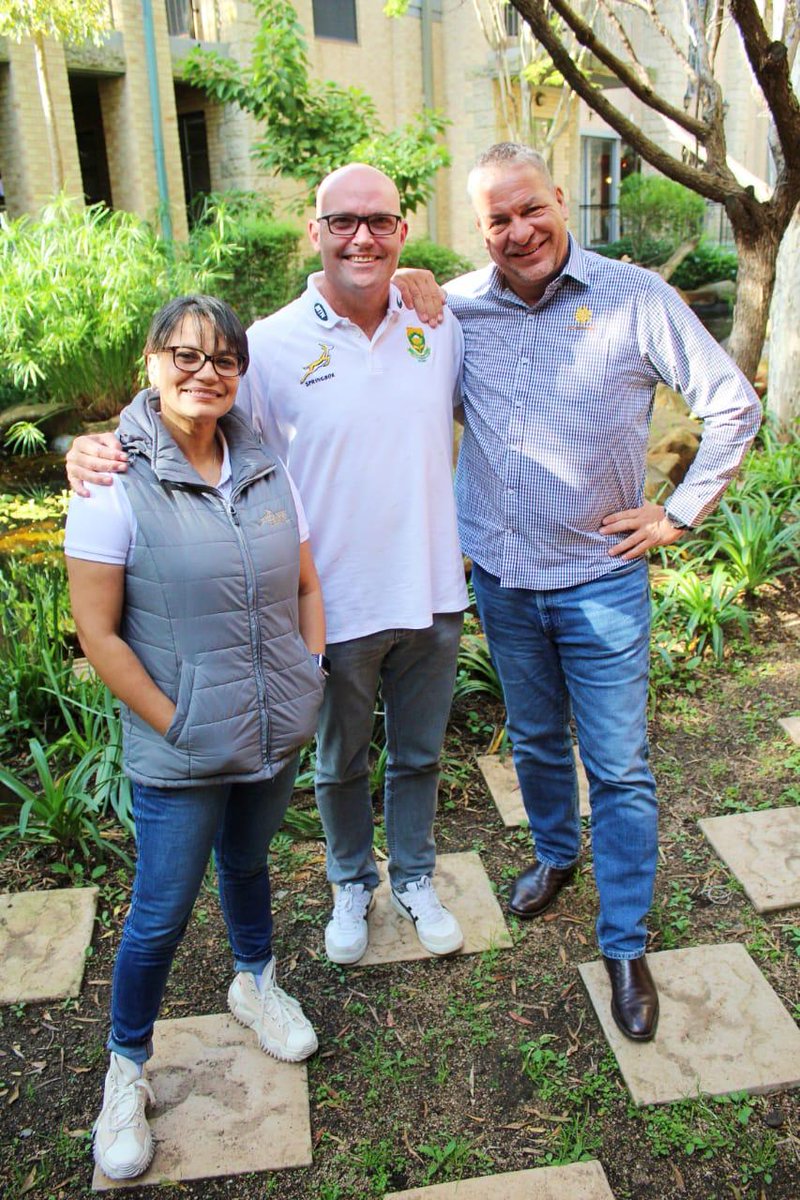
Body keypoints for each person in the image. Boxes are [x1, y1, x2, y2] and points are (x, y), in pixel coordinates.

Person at [398, 143, 761, 1042]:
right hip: (505, 577)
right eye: (496, 220)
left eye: (531, 209)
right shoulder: (457, 311)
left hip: (599, 583)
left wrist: (675, 514)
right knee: (532, 737)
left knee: (623, 766)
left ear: (561, 200)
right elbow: (367, 378)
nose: (518, 231)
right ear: (477, 230)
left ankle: (627, 941)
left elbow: (732, 404)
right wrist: (399, 282)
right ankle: (557, 854)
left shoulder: (634, 298)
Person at [66, 164, 468, 968]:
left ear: (402, 231)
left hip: (431, 589)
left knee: (421, 753)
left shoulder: (442, 321)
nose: (363, 236)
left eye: (382, 221)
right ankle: (351, 880)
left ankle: (416, 875)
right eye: (344, 221)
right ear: (313, 233)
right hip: (333, 597)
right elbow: (187, 411)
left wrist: (428, 285)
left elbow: (511, 280)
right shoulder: (274, 344)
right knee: (339, 761)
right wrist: (96, 447)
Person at [64, 295, 327, 1180]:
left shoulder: (260, 461)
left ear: (240, 374)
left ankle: (255, 983)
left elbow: (304, 581)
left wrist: (309, 672)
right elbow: (98, 634)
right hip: (179, 743)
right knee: (159, 914)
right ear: (151, 361)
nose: (204, 372)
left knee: (249, 865)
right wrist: (179, 722)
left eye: (222, 359)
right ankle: (126, 1068)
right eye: (184, 354)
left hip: (272, 725)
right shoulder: (109, 477)